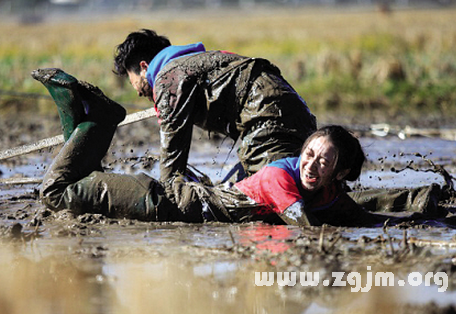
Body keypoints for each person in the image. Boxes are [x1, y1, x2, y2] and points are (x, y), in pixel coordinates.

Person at [34, 67, 394, 227]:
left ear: (340, 173)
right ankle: (99, 115)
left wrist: (427, 220)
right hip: (162, 203)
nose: (311, 164)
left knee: (77, 183)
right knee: (55, 191)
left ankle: (86, 117)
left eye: (323, 161)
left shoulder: (326, 191)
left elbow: (361, 216)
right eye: (309, 153)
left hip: (167, 204)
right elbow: (306, 225)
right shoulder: (278, 178)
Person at [112, 29, 317, 204]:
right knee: (303, 181)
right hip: (291, 107)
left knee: (261, 197)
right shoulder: (193, 64)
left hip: (266, 115)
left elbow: (172, 158)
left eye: (133, 82)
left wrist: (165, 199)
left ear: (144, 67)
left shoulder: (168, 77)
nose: (138, 92)